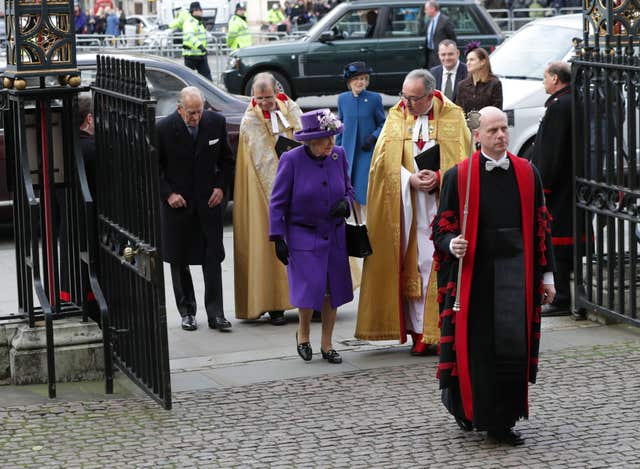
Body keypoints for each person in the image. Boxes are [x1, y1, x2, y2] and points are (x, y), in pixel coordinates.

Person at [432, 106, 556, 446]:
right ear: (477, 136)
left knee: (511, 351)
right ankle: (474, 411)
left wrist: (547, 276)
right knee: (478, 350)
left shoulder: (528, 173)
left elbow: (542, 227)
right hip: (477, 278)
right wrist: (451, 243)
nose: (501, 136)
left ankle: (504, 420)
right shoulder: (459, 176)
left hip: (517, 276)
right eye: (493, 131)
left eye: (504, 129)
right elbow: (442, 226)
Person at [356, 69, 470, 356]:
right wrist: (409, 178)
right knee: (414, 267)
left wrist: (442, 176)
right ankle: (419, 331)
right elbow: (381, 165)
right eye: (404, 96)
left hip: (440, 207)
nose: (407, 104)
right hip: (407, 209)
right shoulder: (397, 116)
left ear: (430, 95)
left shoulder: (453, 116)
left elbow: (466, 161)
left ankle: (439, 330)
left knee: (434, 265)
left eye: (414, 99)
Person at [269, 109, 354, 364]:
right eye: (325, 139)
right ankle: (303, 334)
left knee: (332, 290)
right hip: (303, 234)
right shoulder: (291, 160)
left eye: (332, 137)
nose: (331, 143)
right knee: (309, 289)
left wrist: (346, 204)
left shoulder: (339, 155)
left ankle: (327, 344)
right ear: (310, 141)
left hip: (335, 234)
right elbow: (277, 202)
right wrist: (278, 237)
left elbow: (348, 188)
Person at [156, 87, 234, 332]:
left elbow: (226, 160)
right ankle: (187, 311)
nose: (196, 117)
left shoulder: (215, 123)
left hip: (208, 203)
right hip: (178, 205)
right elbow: (154, 167)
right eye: (191, 113)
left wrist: (221, 188)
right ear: (180, 109)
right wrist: (168, 194)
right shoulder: (164, 128)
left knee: (212, 257)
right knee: (179, 260)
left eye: (199, 111)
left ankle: (216, 313)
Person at [234, 72, 303, 326]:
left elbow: (304, 136)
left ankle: (309, 300)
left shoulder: (290, 107)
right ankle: (275, 305)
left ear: (277, 92)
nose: (264, 103)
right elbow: (259, 160)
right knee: (272, 246)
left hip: (298, 186)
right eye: (259, 98)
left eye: (268, 97)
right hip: (267, 193)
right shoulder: (249, 121)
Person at [531, 62, 575, 316]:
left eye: (545, 77)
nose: (543, 82)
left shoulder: (559, 106)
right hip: (567, 182)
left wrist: (542, 184)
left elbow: (551, 151)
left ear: (556, 79)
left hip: (558, 186)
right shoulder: (564, 101)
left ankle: (562, 297)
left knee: (558, 240)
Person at [336, 61, 385, 222]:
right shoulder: (343, 99)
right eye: (356, 79)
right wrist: (335, 150)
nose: (360, 82)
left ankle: (368, 225)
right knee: (350, 194)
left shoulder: (374, 98)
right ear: (350, 81)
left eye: (363, 79)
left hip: (366, 153)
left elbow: (383, 123)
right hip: (348, 153)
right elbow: (340, 125)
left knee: (364, 191)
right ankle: (355, 227)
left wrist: (374, 137)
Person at [455, 45, 502, 115]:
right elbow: (459, 112)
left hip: (488, 124)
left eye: (472, 60)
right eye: (467, 60)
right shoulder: (462, 85)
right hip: (466, 125)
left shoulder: (494, 83)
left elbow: (496, 111)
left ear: (482, 62)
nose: (468, 63)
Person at [179, 2, 212, 80]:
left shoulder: (199, 23)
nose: (202, 11)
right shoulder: (189, 22)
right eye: (200, 10)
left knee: (207, 79)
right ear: (194, 11)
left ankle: (206, 92)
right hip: (191, 56)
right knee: (189, 79)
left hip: (201, 55)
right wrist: (200, 46)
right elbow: (190, 36)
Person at [424, 1, 456, 69]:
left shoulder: (445, 21)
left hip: (441, 54)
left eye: (426, 9)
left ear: (432, 9)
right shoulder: (429, 21)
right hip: (430, 54)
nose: (425, 11)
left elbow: (452, 38)